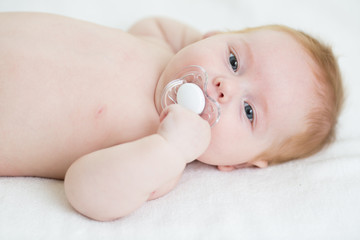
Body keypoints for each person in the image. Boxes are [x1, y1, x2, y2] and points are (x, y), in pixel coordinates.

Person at [0, 12, 344, 221]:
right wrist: (197, 43)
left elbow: (83, 190)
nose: (225, 86)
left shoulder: (158, 156)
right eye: (234, 60)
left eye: (249, 111)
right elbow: (149, 23)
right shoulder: (161, 46)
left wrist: (169, 148)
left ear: (238, 163)